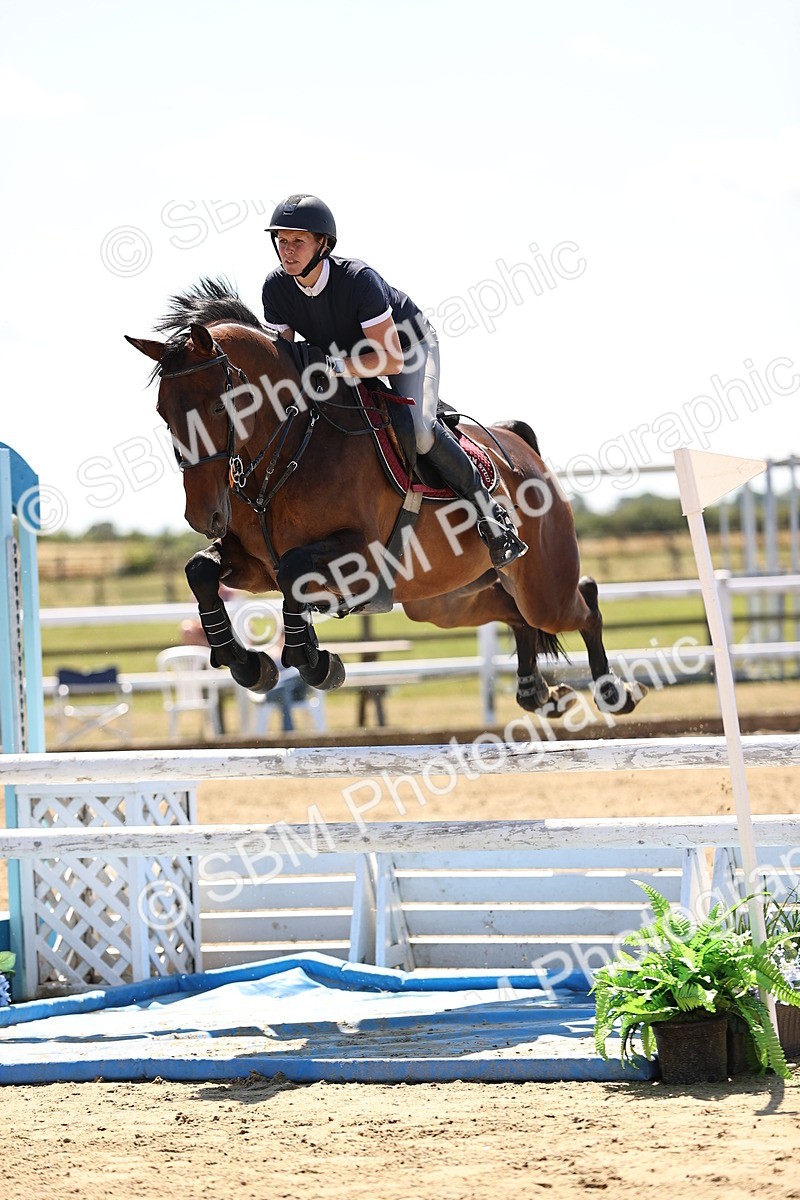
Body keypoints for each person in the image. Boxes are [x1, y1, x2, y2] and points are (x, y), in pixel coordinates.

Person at [261, 193, 527, 571]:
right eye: (281, 241)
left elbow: (388, 359)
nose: (287, 251)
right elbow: (283, 361)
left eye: (297, 242)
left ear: (323, 244)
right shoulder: (275, 288)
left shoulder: (357, 279)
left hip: (406, 349)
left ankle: (491, 517)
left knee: (419, 430)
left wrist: (332, 366)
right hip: (347, 359)